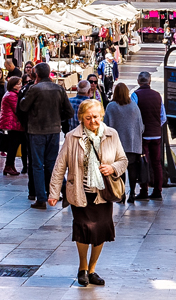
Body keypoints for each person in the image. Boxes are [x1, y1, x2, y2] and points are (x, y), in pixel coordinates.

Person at [48, 100, 127, 287]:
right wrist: (53, 192)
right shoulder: (71, 137)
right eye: (88, 118)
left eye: (96, 117)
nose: (93, 121)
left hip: (103, 193)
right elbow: (60, 166)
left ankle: (92, 270)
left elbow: (123, 160)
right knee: (83, 229)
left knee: (100, 232)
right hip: (79, 192)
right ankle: (82, 268)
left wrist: (112, 167)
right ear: (81, 118)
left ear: (102, 116)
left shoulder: (111, 134)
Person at [18, 63, 74, 209]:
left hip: (37, 131)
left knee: (37, 165)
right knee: (52, 164)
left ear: (36, 75)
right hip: (54, 130)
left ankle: (41, 198)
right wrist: (57, 117)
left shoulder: (34, 89)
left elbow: (23, 107)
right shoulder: (59, 89)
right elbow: (69, 112)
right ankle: (65, 191)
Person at [103, 83, 144, 203]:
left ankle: (121, 194)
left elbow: (106, 126)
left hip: (116, 146)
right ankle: (132, 192)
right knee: (132, 170)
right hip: (132, 144)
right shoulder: (134, 107)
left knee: (119, 170)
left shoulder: (111, 107)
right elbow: (140, 126)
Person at [133, 72, 168, 200]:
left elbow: (133, 115)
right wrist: (156, 126)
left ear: (138, 81)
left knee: (144, 162)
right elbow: (163, 117)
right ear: (150, 81)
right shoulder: (157, 95)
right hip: (156, 134)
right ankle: (158, 191)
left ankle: (144, 190)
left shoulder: (135, 95)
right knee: (157, 163)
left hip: (143, 135)